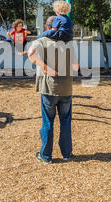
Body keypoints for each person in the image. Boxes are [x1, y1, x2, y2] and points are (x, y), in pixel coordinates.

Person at [28, 16, 79, 164]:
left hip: (49, 87)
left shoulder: (41, 41)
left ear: (47, 27)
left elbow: (31, 54)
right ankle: (67, 154)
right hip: (66, 88)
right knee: (65, 121)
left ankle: (46, 156)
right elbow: (76, 67)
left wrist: (47, 68)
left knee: (48, 122)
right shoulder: (69, 43)